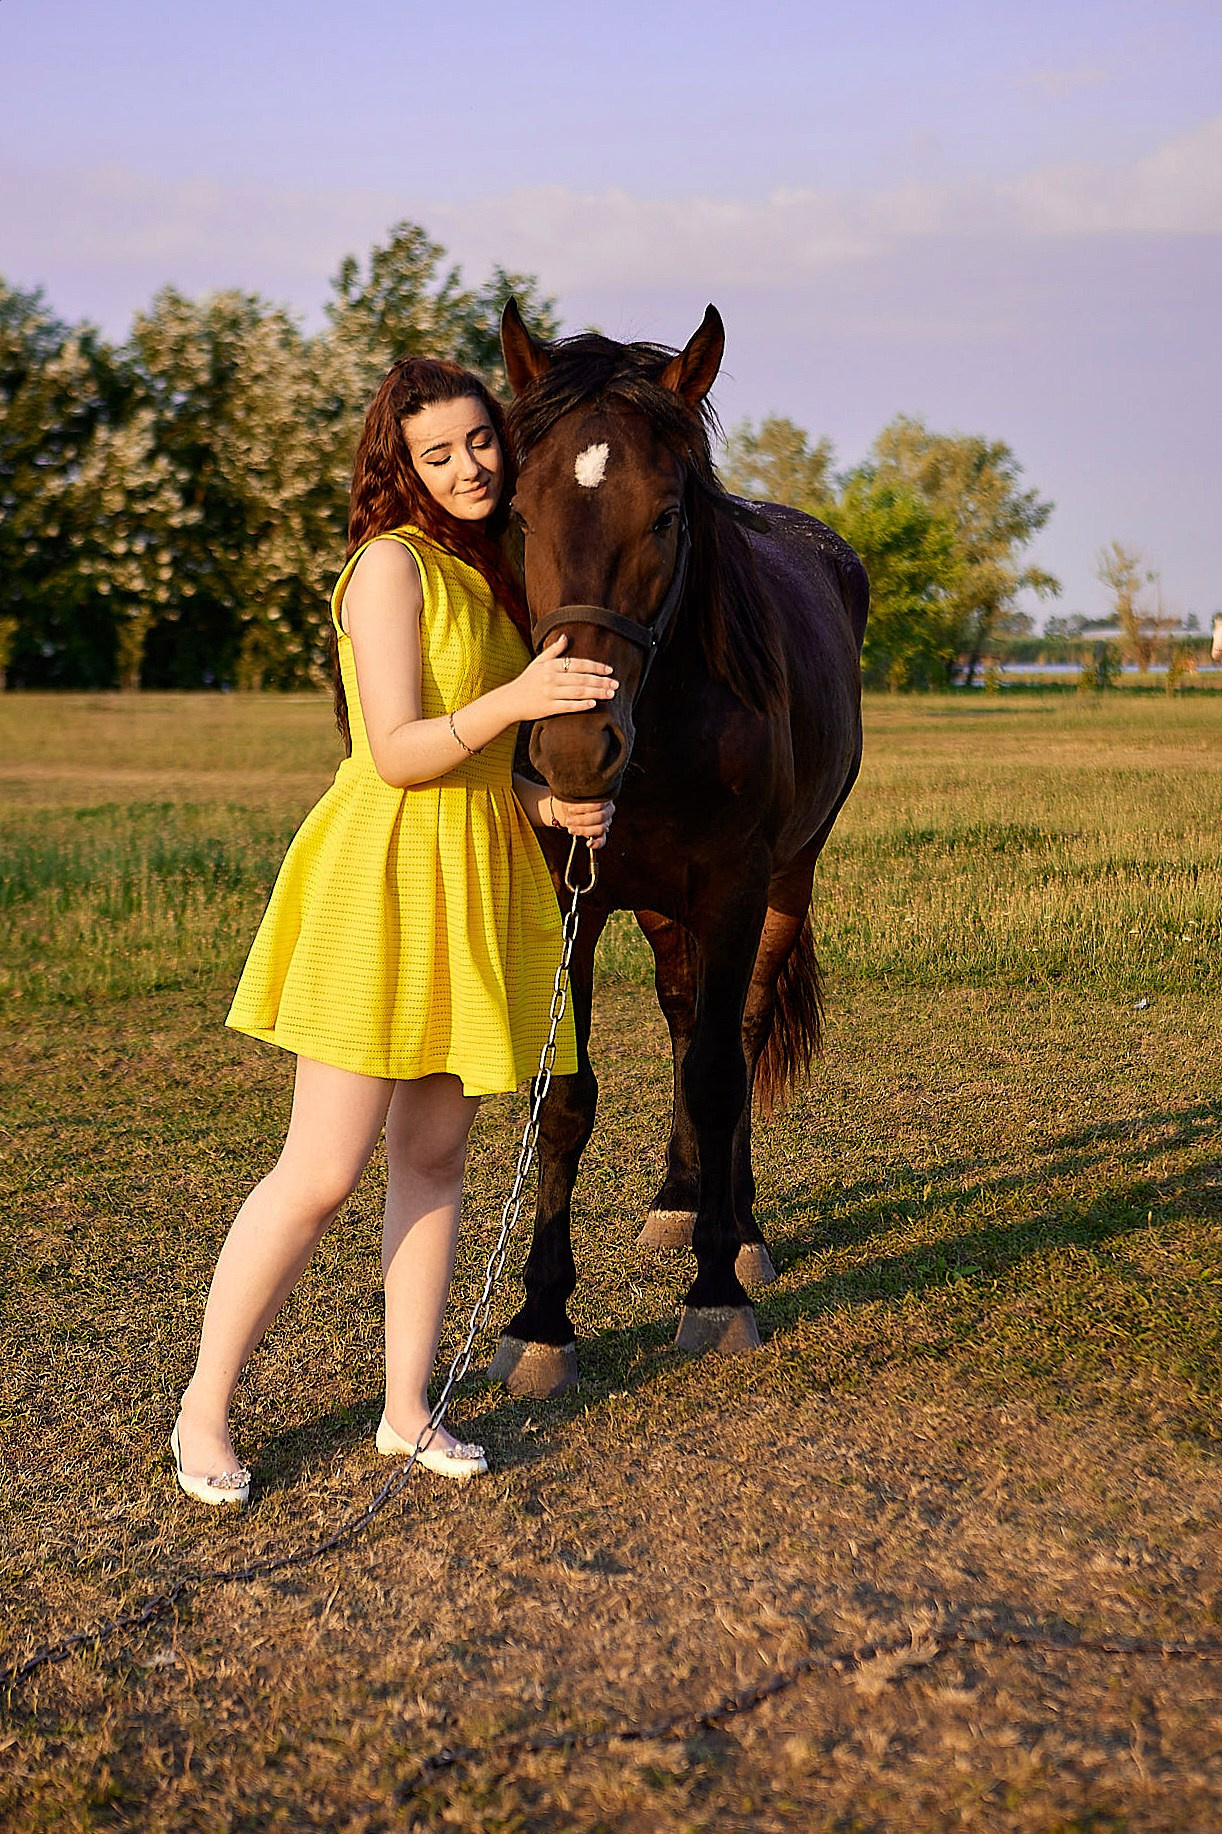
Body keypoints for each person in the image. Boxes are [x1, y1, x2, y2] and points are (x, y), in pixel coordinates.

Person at [170, 356, 616, 1507]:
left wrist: (543, 801)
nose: (468, 466)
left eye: (480, 441)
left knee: (432, 1155)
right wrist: (520, 704)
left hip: (479, 870)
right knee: (320, 1170)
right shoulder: (388, 567)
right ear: (398, 463)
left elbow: (470, 770)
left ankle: (408, 1408)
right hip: (380, 877)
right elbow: (396, 751)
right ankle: (203, 1407)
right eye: (438, 452)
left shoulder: (497, 569)